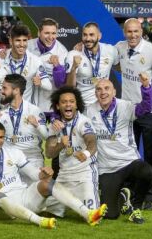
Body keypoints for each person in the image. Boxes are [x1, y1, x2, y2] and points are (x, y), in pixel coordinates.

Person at [0, 121, 107, 229]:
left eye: (0, 137)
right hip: (1, 209)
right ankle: (40, 221)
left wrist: (42, 174)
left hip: (22, 196)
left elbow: (33, 173)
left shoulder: (14, 152)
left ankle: (88, 214)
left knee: (46, 183)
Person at [115, 18, 152, 209]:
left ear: (142, 32)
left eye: (136, 32)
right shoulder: (120, 48)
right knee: (129, 154)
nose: (132, 35)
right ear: (124, 32)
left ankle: (149, 198)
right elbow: (111, 62)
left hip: (150, 112)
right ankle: (129, 194)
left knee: (150, 156)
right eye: (129, 32)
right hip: (129, 111)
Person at [86, 77, 152, 224]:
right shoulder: (89, 110)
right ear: (95, 93)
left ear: (114, 91)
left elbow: (146, 107)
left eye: (107, 88)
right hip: (107, 169)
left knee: (146, 171)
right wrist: (55, 119)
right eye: (99, 89)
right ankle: (124, 197)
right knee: (110, 214)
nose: (103, 92)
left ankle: (136, 208)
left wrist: (146, 87)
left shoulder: (126, 106)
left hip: (129, 162)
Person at [45, 87, 99, 217]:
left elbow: (92, 143)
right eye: (64, 102)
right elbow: (49, 153)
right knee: (51, 213)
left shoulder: (83, 122)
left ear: (76, 105)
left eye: (71, 101)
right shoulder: (55, 126)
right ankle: (73, 201)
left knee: (93, 216)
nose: (68, 104)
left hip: (84, 174)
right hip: (64, 176)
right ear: (58, 106)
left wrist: (85, 154)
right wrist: (60, 145)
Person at [0, 74, 48, 171]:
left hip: (32, 159)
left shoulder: (34, 111)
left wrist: (37, 125)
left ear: (16, 90)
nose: (1, 91)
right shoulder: (1, 114)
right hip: (10, 161)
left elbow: (46, 137)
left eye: (4, 88)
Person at [65, 22, 119, 106]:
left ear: (99, 36)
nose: (87, 38)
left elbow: (118, 66)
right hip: (85, 104)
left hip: (105, 102)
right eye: (85, 35)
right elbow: (69, 87)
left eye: (91, 35)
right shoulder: (73, 55)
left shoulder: (110, 50)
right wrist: (73, 68)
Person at [2, 24, 52, 107]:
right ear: (11, 41)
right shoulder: (2, 59)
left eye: (24, 40)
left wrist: (40, 83)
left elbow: (49, 86)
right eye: (18, 40)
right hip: (5, 110)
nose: (22, 44)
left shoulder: (35, 61)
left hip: (26, 111)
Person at [27, 18, 68, 111]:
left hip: (48, 104)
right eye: (47, 33)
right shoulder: (28, 45)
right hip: (28, 99)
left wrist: (57, 67)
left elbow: (60, 84)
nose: (50, 37)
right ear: (39, 33)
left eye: (53, 33)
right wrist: (1, 52)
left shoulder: (62, 51)